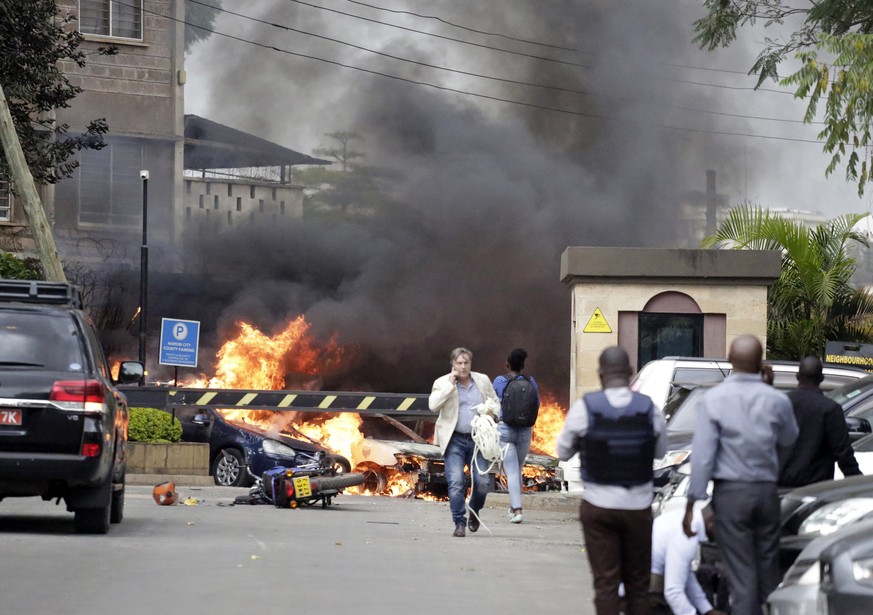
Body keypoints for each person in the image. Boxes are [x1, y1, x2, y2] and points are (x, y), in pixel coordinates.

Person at [683, 335, 798, 615]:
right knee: (768, 570)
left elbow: (703, 456)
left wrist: (692, 505)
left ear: (729, 360)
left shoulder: (714, 399)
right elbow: (789, 438)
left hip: (732, 495)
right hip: (767, 493)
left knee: (742, 574)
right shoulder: (776, 399)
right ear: (761, 363)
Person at [557, 346, 668, 615]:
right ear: (630, 373)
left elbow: (562, 451)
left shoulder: (586, 408)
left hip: (599, 507)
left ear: (600, 374)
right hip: (638, 508)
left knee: (606, 584)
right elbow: (661, 452)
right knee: (638, 586)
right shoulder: (649, 409)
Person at [428, 347, 500, 537]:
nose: (463, 366)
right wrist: (449, 386)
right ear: (453, 364)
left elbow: (496, 402)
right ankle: (459, 522)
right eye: (459, 363)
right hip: (454, 441)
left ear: (470, 363)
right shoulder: (442, 382)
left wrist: (492, 413)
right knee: (456, 481)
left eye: (466, 362)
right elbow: (433, 405)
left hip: (478, 440)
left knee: (483, 482)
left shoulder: (482, 380)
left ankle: (474, 511)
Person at [779, 356, 862, 488]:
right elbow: (843, 454)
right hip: (816, 490)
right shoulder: (830, 409)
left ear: (797, 376)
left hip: (780, 487)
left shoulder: (781, 404)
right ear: (821, 378)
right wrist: (858, 485)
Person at [492, 347, 540, 524]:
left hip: (505, 430)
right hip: (525, 431)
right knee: (516, 469)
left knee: (511, 470)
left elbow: (490, 403)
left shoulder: (499, 380)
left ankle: (518, 509)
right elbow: (537, 404)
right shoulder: (531, 381)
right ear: (523, 366)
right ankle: (513, 507)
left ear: (507, 365)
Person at [649, 506, 726, 615]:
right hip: (645, 595)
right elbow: (673, 592)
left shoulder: (684, 520)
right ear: (711, 521)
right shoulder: (687, 534)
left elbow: (685, 576)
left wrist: (707, 610)